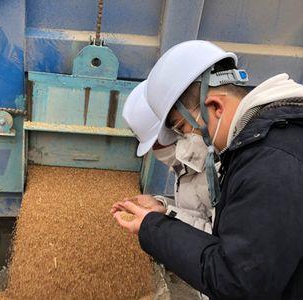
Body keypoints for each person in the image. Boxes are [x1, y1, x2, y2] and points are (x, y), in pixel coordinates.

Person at [112, 40, 303, 299]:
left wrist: (152, 227)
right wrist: (163, 211)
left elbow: (237, 283)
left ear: (215, 106)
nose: (186, 138)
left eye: (183, 128)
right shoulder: (262, 146)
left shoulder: (271, 162)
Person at [122, 90, 213, 233]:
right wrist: (161, 204)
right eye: (154, 145)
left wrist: (160, 223)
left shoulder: (216, 170)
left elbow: (219, 242)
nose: (157, 150)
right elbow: (195, 212)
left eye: (159, 142)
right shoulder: (188, 167)